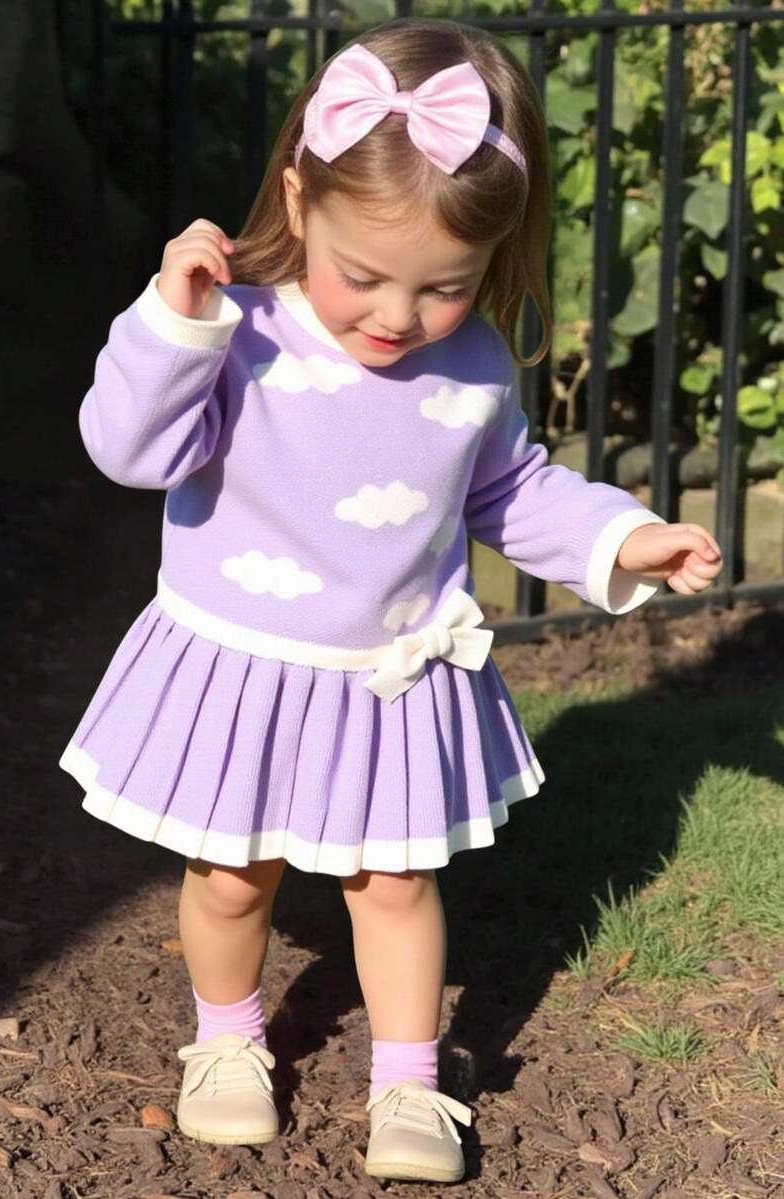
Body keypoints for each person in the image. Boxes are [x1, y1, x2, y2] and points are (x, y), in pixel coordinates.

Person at [59, 17, 723, 1185]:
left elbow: (511, 492)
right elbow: (131, 448)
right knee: (231, 874)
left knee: (397, 882)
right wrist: (174, 319)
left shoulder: (474, 368)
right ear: (297, 198)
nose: (395, 315)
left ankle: (409, 1079)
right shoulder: (237, 331)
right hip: (246, 663)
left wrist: (626, 536)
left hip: (388, 679)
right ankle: (226, 1040)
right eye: (363, 275)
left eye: (445, 287)